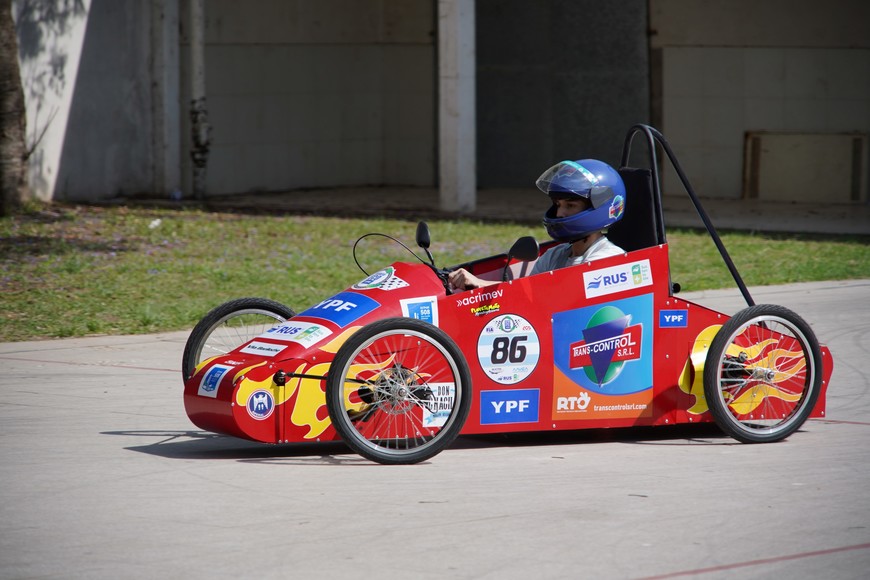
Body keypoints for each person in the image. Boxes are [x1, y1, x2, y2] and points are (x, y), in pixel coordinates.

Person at [448, 159, 626, 291]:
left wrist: (482, 284)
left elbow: (556, 299)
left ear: (600, 207)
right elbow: (527, 295)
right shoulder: (554, 255)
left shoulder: (609, 260)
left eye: (570, 205)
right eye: (558, 205)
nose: (560, 213)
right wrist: (478, 285)